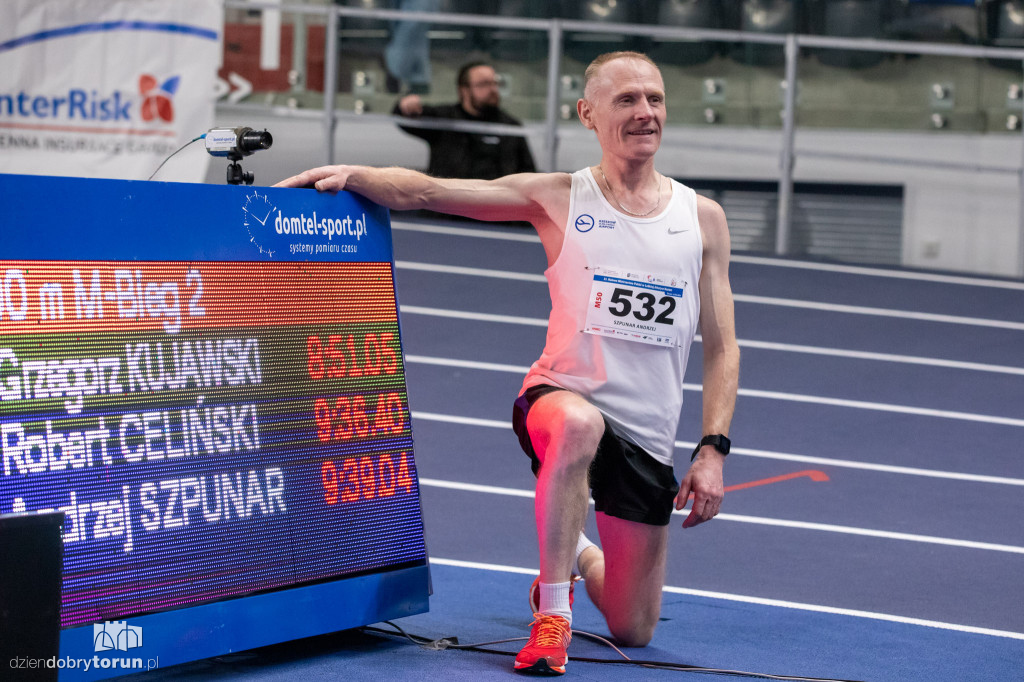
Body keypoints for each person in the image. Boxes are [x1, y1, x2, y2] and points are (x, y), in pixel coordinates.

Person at [275, 51, 740, 676]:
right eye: (626, 100)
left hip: (647, 438)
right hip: (559, 398)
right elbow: (430, 191)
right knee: (579, 426)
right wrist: (349, 174)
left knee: (635, 626)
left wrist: (711, 450)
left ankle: (576, 553)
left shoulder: (702, 219)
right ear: (588, 114)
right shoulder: (557, 196)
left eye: (654, 99)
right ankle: (552, 614)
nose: (644, 112)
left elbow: (722, 346)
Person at [392, 61, 536, 180]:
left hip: (496, 211)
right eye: (484, 84)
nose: (492, 89)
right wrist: (405, 106)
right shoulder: (445, 119)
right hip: (448, 209)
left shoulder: (510, 126)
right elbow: (404, 119)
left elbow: (529, 174)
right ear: (464, 90)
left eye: (495, 83)